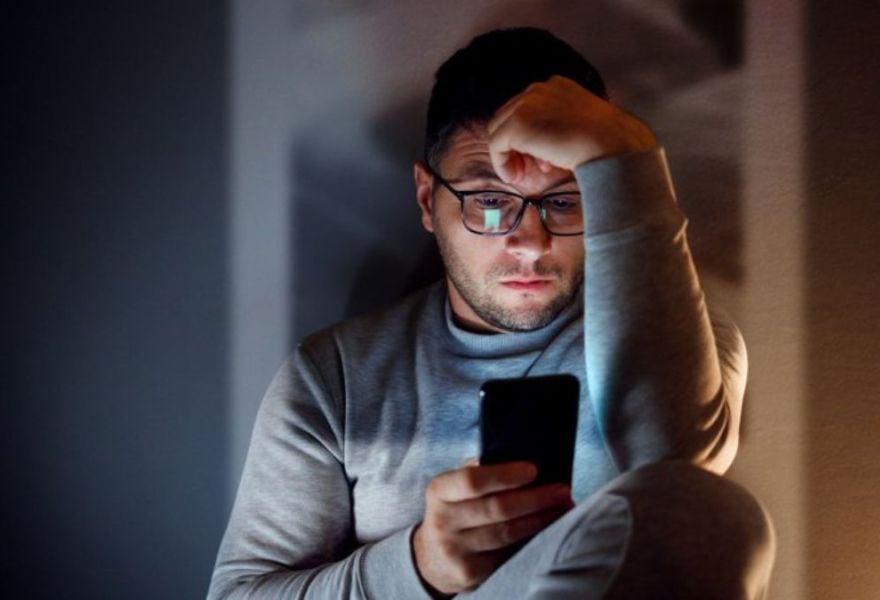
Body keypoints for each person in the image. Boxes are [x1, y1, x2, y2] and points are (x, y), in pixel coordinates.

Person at [208, 27, 774, 599]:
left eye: (563, 201)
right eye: (490, 202)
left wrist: (625, 155)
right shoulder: (334, 375)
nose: (530, 243)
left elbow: (673, 475)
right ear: (428, 200)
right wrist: (418, 564)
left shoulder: (690, 342)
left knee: (715, 515)